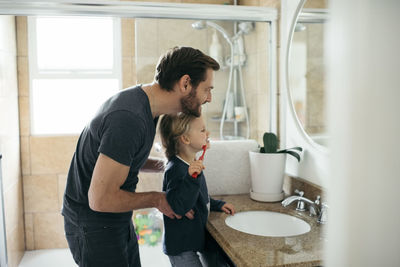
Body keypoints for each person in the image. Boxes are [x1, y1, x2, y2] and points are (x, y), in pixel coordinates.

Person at [62, 46, 220, 267]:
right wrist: (158, 198)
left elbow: (125, 160)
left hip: (114, 218)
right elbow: (99, 199)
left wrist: (173, 167)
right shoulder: (129, 118)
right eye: (207, 89)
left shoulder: (146, 108)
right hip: (94, 225)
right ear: (185, 84)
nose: (209, 98)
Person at [159, 113, 235, 267]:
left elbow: (198, 196)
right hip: (181, 247)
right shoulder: (176, 169)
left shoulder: (191, 163)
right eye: (202, 130)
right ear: (186, 139)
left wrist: (216, 204)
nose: (208, 134)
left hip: (191, 241)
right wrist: (191, 178)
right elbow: (177, 206)